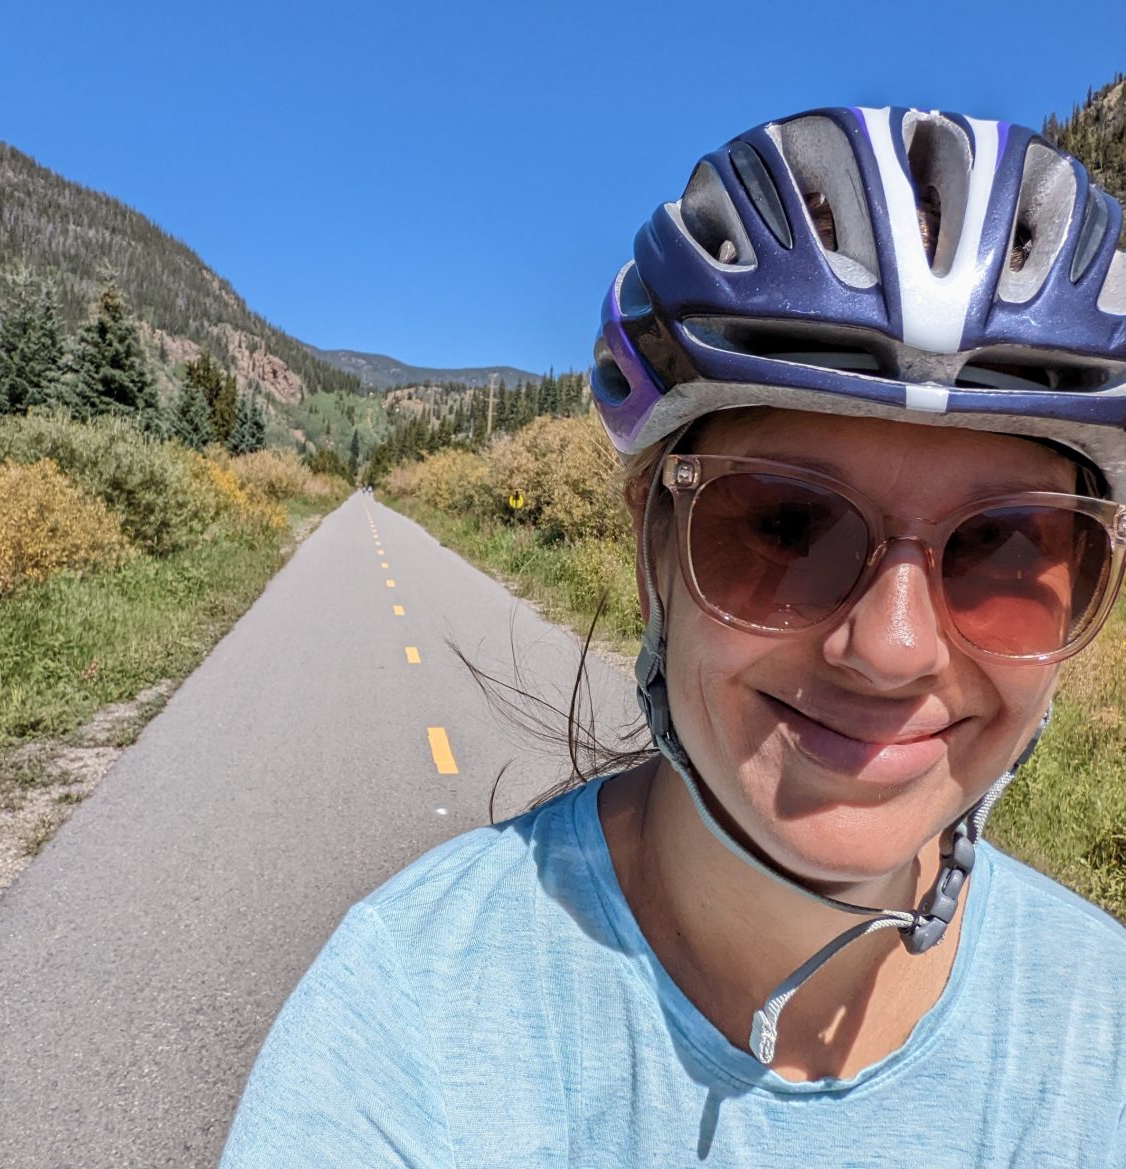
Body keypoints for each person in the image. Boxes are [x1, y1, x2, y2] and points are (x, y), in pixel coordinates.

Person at [220, 106, 1126, 1166]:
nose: (893, 647)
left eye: (1005, 547)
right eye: (787, 525)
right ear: (654, 555)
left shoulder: (1100, 1033)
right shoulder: (404, 1026)